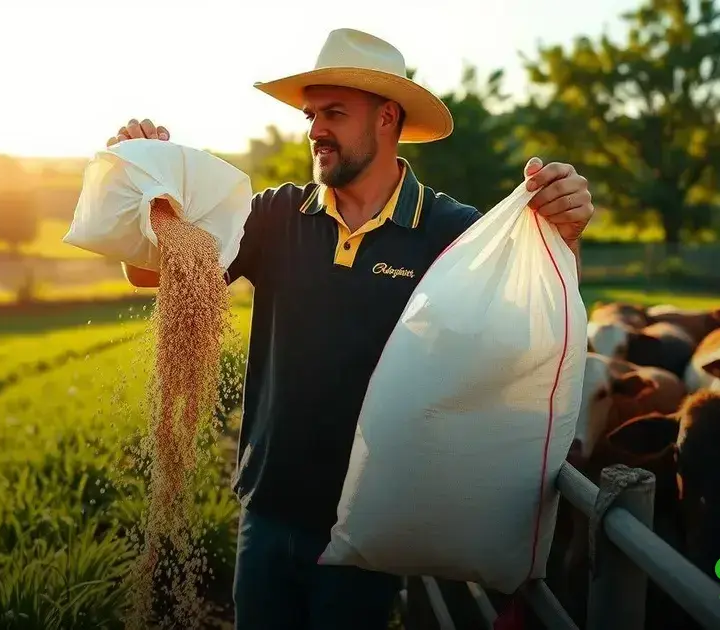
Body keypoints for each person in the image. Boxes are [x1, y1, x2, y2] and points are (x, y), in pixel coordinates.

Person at [109, 28, 595, 630]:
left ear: (387, 118)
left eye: (334, 113)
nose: (314, 130)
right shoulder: (273, 215)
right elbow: (151, 273)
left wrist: (563, 232)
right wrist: (148, 182)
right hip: (265, 513)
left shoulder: (450, 231)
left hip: (368, 528)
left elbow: (532, 324)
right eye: (312, 114)